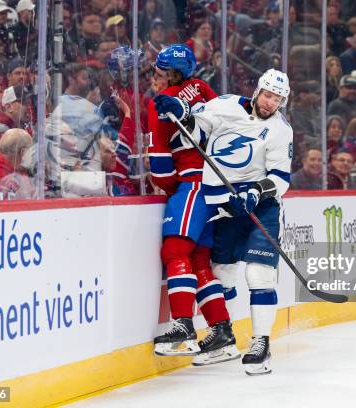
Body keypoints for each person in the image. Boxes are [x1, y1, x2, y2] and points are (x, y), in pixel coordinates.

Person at [155, 68, 293, 375]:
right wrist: (181, 112)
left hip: (261, 208)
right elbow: (196, 129)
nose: (271, 103)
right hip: (225, 206)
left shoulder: (281, 130)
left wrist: (256, 193)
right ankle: (222, 337)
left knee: (259, 275)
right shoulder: (227, 104)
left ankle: (261, 344)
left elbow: (281, 178)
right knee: (221, 273)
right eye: (268, 95)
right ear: (259, 91)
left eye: (278, 100)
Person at [147, 44, 237, 365]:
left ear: (171, 73)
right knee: (199, 262)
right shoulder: (204, 89)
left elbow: (160, 166)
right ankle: (222, 334)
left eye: (158, 72)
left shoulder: (159, 104)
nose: (153, 78)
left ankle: (183, 328)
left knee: (174, 252)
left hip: (193, 184)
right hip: (216, 187)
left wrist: (176, 189)